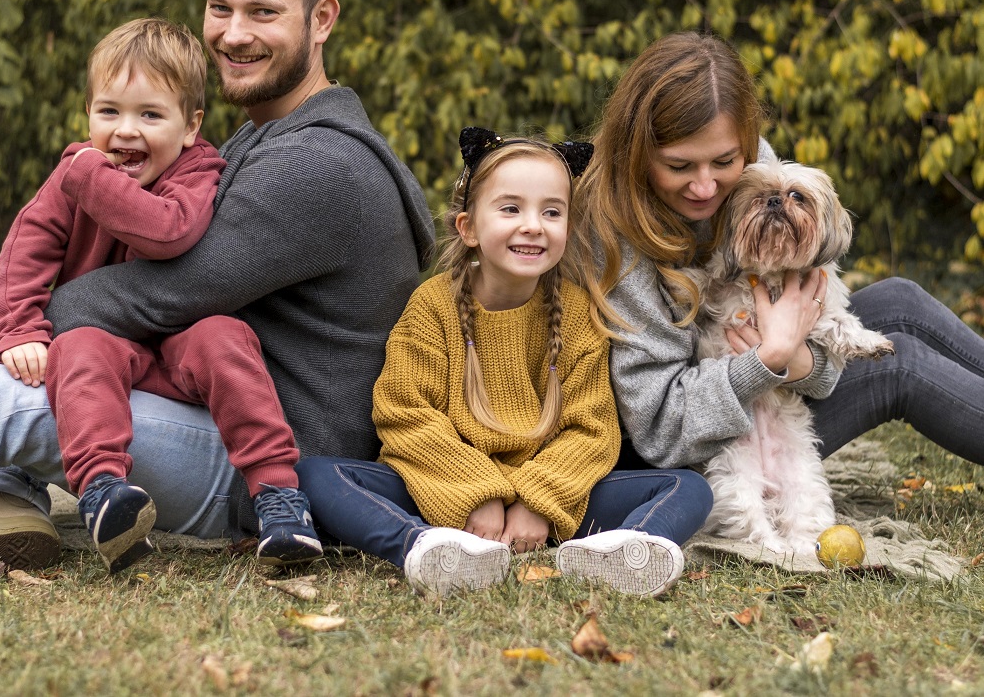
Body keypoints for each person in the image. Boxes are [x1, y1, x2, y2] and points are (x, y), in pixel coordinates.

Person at [0, 0, 435, 571]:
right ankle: (3, 505)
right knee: (59, 371)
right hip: (216, 414)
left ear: (321, 20)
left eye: (262, 12)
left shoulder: (319, 165)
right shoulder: (265, 138)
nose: (234, 34)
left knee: (16, 396)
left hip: (269, 468)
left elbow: (149, 296)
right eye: (220, 8)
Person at [297, 128, 713, 598]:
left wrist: (536, 503)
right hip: (443, 497)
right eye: (511, 208)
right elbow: (405, 414)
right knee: (316, 476)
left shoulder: (576, 314)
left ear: (568, 230)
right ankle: (428, 548)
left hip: (554, 501)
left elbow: (592, 430)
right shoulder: (433, 307)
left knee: (689, 489)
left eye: (551, 212)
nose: (533, 225)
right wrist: (479, 495)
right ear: (468, 227)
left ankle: (619, 553)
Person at [0, 16, 320, 574]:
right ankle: (103, 494)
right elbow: (27, 247)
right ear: (88, 113)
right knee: (79, 346)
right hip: (107, 348)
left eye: (150, 115)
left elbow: (170, 231)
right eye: (109, 111)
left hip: (175, 347)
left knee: (225, 336)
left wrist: (93, 178)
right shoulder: (74, 173)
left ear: (190, 126)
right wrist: (18, 328)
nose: (125, 131)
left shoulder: (197, 170)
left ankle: (278, 497)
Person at [572, 29, 984, 476]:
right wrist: (770, 358)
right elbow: (660, 429)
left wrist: (796, 356)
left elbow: (818, 352)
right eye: (678, 166)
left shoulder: (755, 171)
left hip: (768, 374)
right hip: (700, 444)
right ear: (637, 152)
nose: (706, 186)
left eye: (725, 162)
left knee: (900, 300)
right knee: (900, 366)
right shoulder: (614, 241)